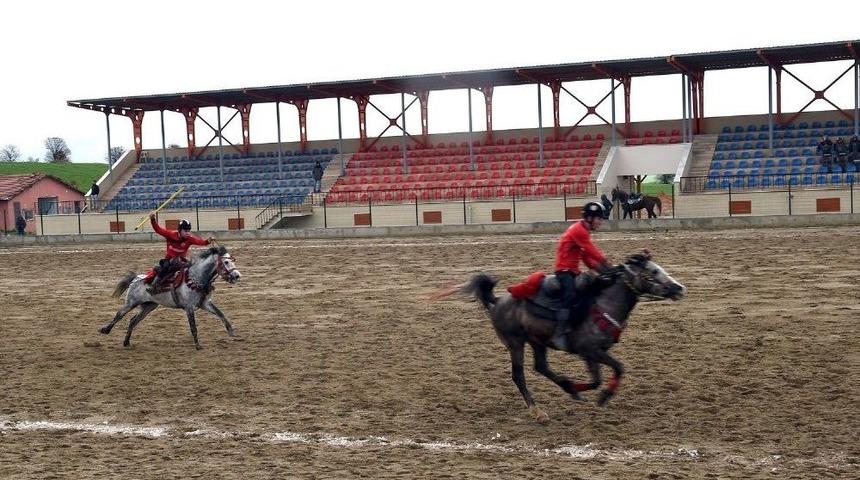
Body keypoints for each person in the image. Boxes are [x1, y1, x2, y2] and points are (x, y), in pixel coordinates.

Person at [551, 201, 614, 348]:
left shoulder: (583, 231)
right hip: (564, 271)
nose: (601, 222)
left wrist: (605, 271)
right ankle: (559, 332)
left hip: (573, 271)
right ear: (590, 218)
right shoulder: (579, 231)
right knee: (570, 295)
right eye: (599, 218)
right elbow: (591, 250)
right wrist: (605, 262)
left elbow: (587, 258)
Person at [145, 214, 214, 293]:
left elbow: (200, 242)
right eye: (185, 231)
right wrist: (153, 220)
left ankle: (202, 285)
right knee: (166, 267)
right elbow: (158, 230)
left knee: (193, 267)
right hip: (169, 260)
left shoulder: (189, 239)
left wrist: (208, 241)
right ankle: (154, 285)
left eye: (188, 231)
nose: (187, 233)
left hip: (182, 261)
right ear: (180, 230)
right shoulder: (170, 234)